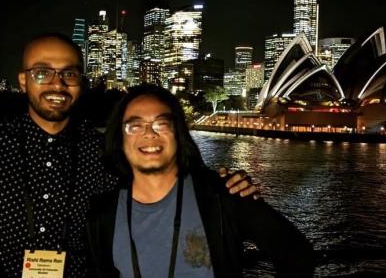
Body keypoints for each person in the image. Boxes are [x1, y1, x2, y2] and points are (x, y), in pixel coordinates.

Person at [0, 32, 257, 278]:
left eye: (69, 74)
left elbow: (168, 180)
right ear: (24, 81)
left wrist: (224, 185)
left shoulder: (108, 152)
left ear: (82, 82)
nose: (57, 84)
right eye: (42, 72)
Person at [87, 84, 316, 277]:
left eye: (162, 124)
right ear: (119, 137)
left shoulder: (223, 196)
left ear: (179, 134)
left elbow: (297, 253)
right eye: (135, 126)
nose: (149, 133)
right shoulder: (103, 214)